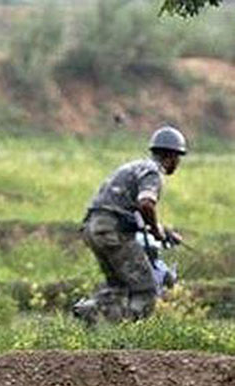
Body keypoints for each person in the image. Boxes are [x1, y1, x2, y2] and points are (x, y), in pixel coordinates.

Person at [72, 126, 187, 324]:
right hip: (113, 232)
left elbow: (126, 208)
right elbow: (146, 204)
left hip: (93, 229)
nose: (178, 163)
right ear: (171, 156)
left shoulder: (133, 167)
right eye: (178, 158)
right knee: (147, 289)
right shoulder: (153, 173)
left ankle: (88, 312)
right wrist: (157, 232)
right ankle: (127, 337)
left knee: (118, 288)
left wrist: (161, 229)